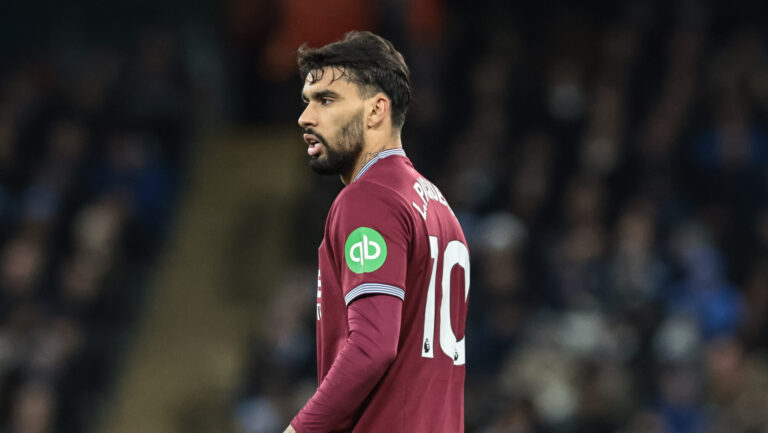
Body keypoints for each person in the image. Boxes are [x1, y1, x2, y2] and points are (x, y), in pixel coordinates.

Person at [284, 31, 470, 433]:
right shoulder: (439, 208)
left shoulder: (369, 199)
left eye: (326, 100)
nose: (306, 117)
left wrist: (298, 431)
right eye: (307, 101)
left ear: (376, 110)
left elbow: (371, 346)